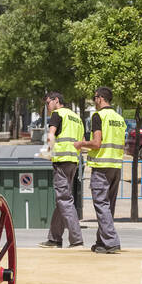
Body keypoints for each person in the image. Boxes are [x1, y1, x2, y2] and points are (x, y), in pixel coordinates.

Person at [79, 86, 124, 253]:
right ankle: (102, 242)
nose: (94, 101)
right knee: (107, 206)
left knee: (101, 205)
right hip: (115, 166)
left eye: (94, 97)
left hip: (101, 166)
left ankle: (111, 241)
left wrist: (81, 143)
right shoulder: (119, 118)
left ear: (100, 98)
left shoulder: (98, 116)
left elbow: (97, 143)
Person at [41, 91, 85, 248]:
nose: (47, 107)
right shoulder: (76, 118)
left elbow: (50, 135)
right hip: (73, 161)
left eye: (47, 103)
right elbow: (83, 142)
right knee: (63, 199)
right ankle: (54, 239)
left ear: (56, 100)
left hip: (61, 160)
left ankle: (76, 239)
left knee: (64, 200)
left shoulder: (57, 114)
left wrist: (47, 151)